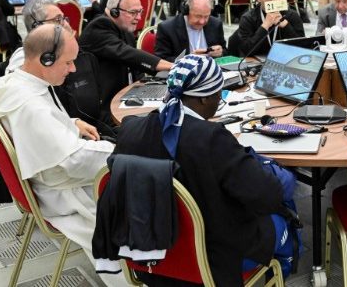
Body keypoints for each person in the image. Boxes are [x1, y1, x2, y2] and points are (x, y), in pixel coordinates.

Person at [112, 54, 294, 286]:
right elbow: (268, 197)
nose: (220, 100)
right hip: (209, 260)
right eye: (219, 94)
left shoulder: (130, 129)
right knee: (284, 209)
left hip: (149, 257)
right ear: (205, 98)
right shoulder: (212, 140)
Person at [0, 24, 125, 287]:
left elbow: (39, 130)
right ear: (45, 59)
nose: (73, 69)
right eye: (68, 62)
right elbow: (71, 162)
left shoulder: (14, 81)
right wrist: (119, 151)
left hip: (49, 175)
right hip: (60, 191)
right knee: (144, 189)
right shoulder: (32, 106)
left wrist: (71, 122)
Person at [79, 0, 173, 117]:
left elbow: (135, 65)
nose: (139, 18)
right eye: (133, 12)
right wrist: (171, 66)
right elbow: (127, 54)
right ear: (114, 12)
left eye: (140, 12)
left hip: (128, 97)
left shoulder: (124, 28)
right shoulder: (99, 26)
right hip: (104, 109)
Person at [232, 0, 304, 57]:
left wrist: (286, 26)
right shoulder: (248, 18)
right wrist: (264, 27)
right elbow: (246, 51)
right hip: (257, 62)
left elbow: (302, 47)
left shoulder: (292, 15)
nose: (272, 1)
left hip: (286, 59)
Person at [155, 0, 227, 62]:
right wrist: (189, 58)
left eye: (206, 16)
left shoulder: (216, 24)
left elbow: (225, 51)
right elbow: (161, 60)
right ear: (186, 11)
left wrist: (220, 52)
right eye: (198, 16)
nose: (202, 21)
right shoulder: (167, 28)